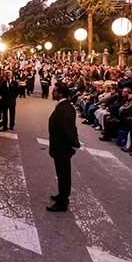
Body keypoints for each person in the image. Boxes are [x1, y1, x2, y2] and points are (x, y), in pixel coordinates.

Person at [47, 83, 81, 212]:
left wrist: (73, 145)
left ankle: (63, 202)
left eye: (55, 91)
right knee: (61, 174)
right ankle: (61, 195)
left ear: (61, 93)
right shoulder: (64, 106)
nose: (53, 93)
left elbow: (68, 129)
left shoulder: (65, 108)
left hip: (62, 148)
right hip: (60, 146)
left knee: (64, 175)